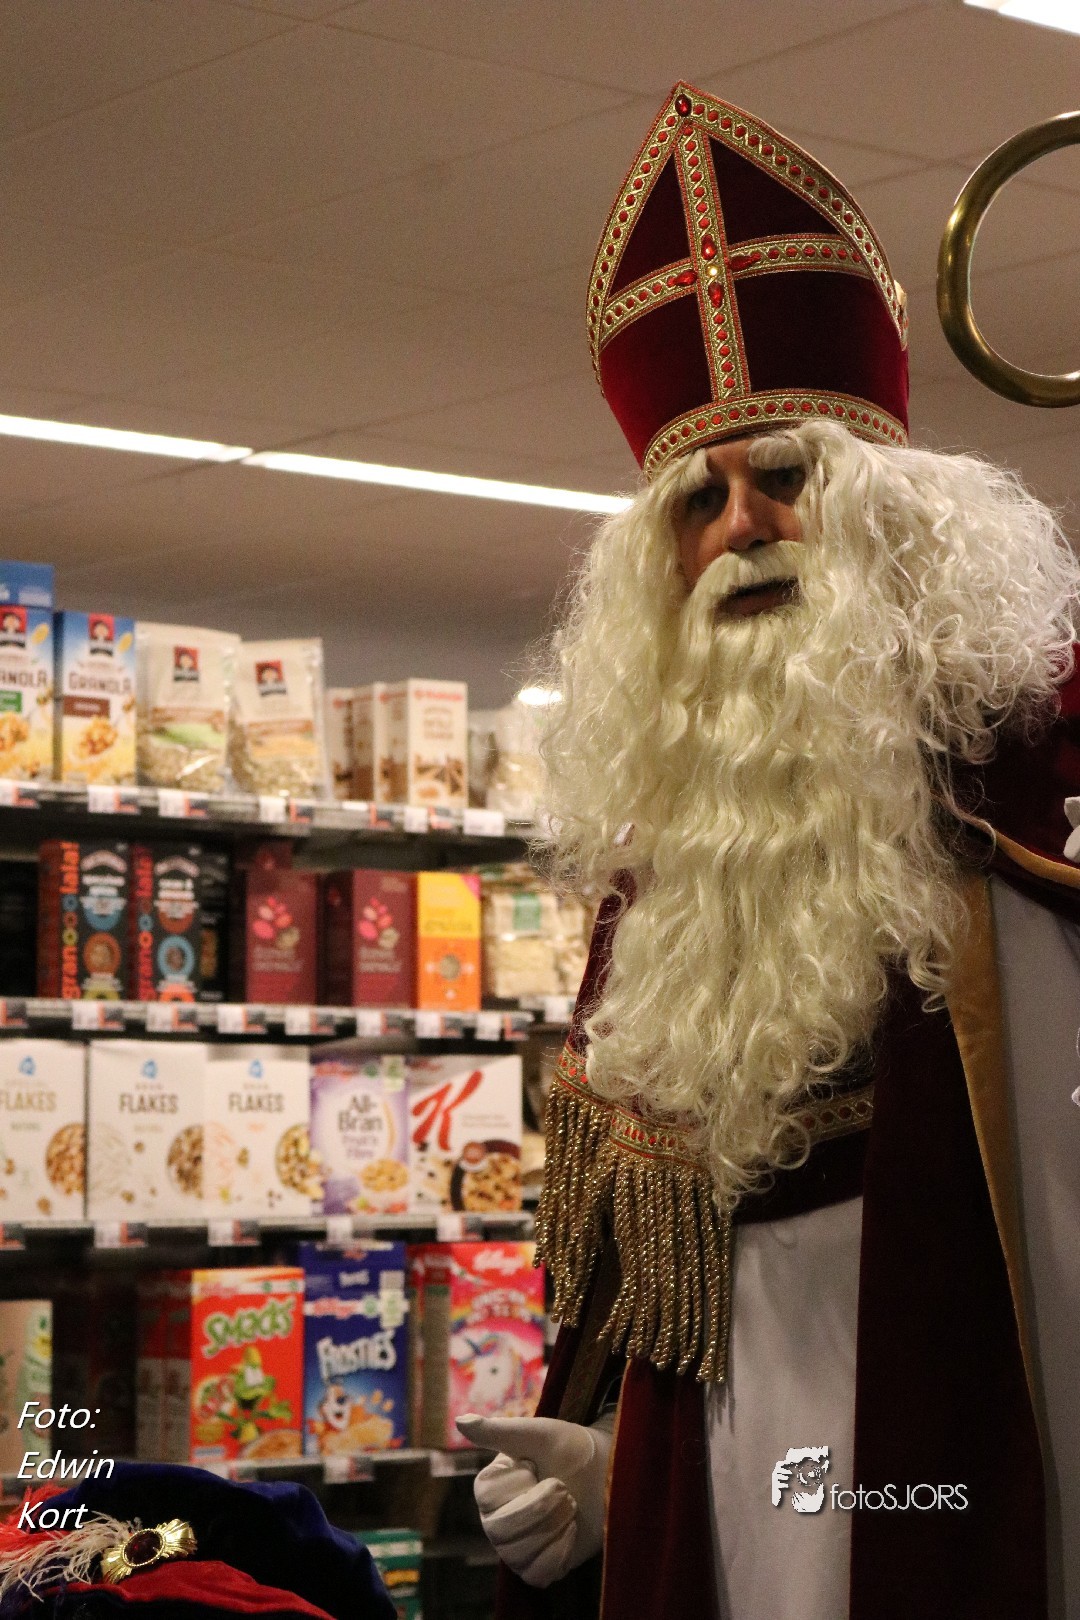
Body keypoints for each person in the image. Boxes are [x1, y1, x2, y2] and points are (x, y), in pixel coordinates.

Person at [457, 82, 1080, 1620]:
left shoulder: (1043, 770)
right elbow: (653, 1286)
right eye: (700, 499)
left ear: (889, 520)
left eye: (784, 480)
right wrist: (609, 1472)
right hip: (740, 1485)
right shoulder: (659, 880)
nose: (740, 528)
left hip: (994, 1445)